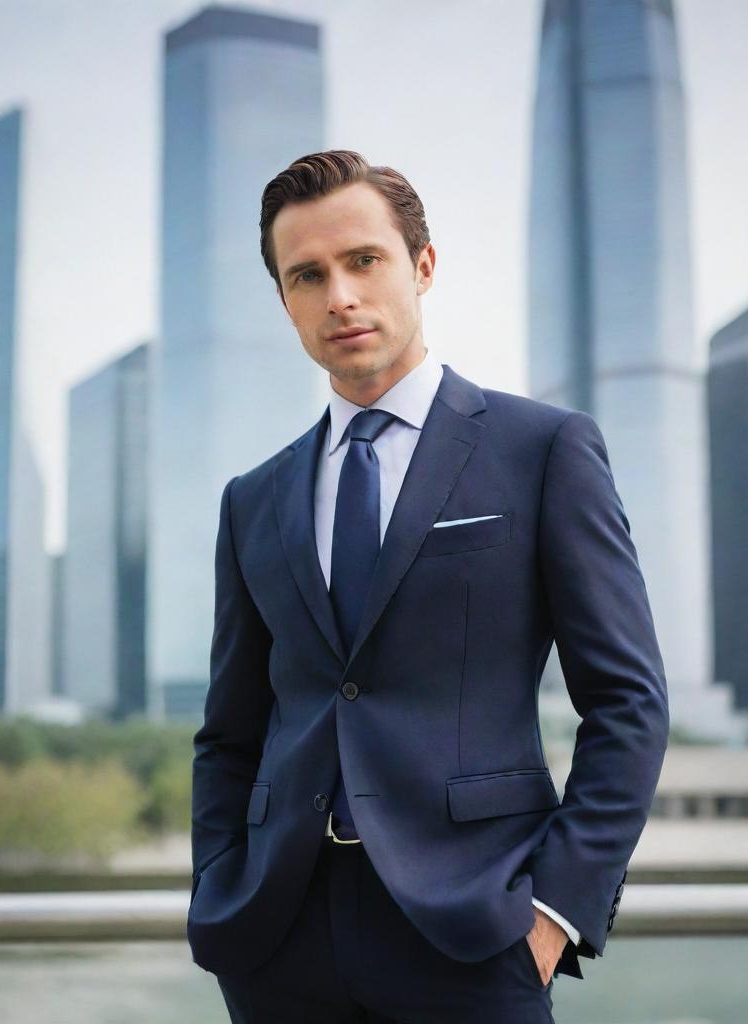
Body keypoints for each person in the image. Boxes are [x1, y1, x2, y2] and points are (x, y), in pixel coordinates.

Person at [187, 149, 669, 1023]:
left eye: (363, 260)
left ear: (422, 265)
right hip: (278, 941)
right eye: (308, 275)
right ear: (287, 302)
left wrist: (555, 914)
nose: (340, 296)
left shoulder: (541, 451)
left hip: (476, 936)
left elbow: (629, 701)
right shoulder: (252, 500)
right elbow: (230, 732)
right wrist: (220, 891)